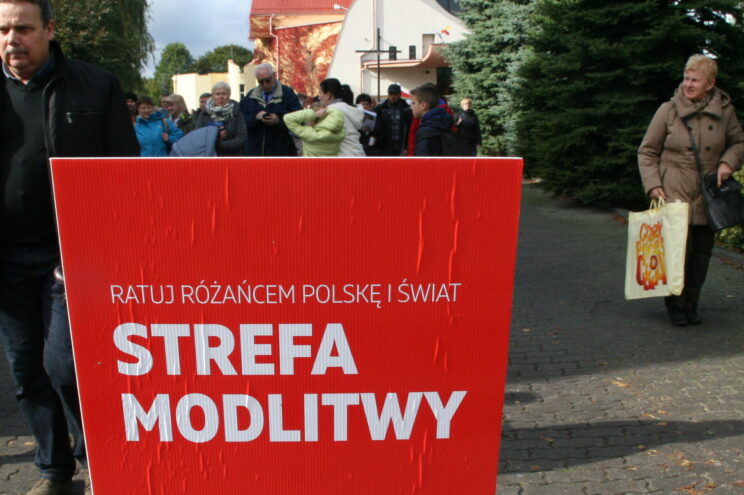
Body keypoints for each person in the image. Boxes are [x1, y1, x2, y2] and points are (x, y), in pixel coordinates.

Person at [0, 1, 139, 493]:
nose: (12, 39)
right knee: (25, 371)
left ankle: (100, 459)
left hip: (70, 255)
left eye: (23, 28)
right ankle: (55, 473)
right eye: (3, 30)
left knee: (65, 367)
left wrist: (105, 247)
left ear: (49, 29)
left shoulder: (94, 84)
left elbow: (123, 171)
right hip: (6, 258)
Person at [638, 54, 744, 326]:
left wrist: (727, 163)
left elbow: (738, 143)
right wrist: (653, 184)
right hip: (673, 189)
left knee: (701, 255)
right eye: (686, 78)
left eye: (695, 80)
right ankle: (675, 304)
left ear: (710, 83)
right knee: (677, 252)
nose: (688, 84)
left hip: (708, 193)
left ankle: (691, 303)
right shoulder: (668, 110)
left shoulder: (725, 111)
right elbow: (647, 151)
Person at [240, 62, 302, 156]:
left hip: (282, 150)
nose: (265, 84)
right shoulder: (250, 96)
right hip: (255, 150)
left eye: (268, 80)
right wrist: (256, 118)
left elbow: (299, 118)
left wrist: (279, 120)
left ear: (274, 76)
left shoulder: (287, 93)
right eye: (261, 82)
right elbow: (241, 119)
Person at [193, 81, 247, 156]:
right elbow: (198, 136)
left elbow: (242, 137)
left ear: (229, 95)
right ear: (213, 96)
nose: (221, 97)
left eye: (224, 94)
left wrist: (220, 145)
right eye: (217, 94)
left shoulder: (236, 112)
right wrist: (216, 137)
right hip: (210, 156)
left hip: (232, 156)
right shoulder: (204, 113)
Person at [318, 78, 365, 157]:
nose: (319, 97)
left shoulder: (331, 111)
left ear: (328, 95)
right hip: (357, 153)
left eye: (320, 93)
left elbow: (323, 138)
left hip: (344, 157)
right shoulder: (347, 109)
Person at [410, 84, 454, 156]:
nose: (411, 107)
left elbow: (422, 160)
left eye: (413, 103)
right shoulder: (444, 121)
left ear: (423, 105)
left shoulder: (425, 130)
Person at [372, 83, 412, 156]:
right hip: (385, 146)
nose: (392, 96)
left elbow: (409, 128)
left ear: (399, 95)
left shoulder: (407, 110)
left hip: (401, 145)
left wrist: (406, 146)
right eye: (390, 94)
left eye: (395, 94)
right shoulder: (380, 109)